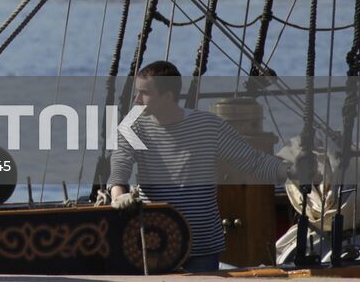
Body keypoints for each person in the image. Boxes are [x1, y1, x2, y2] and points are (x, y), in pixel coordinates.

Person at [108, 60, 299, 273]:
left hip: (202, 244)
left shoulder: (208, 127)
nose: (136, 100)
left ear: (168, 97)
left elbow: (252, 161)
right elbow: (121, 161)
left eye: (144, 93)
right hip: (155, 240)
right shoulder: (134, 126)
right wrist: (118, 195)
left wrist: (289, 171)